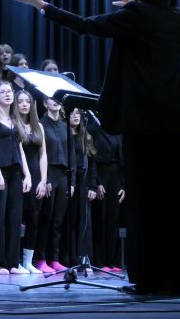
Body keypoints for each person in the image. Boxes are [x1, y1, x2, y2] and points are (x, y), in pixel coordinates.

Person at [7, 0, 180, 295]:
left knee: (143, 205)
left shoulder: (134, 17)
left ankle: (149, 280)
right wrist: (134, 6)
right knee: (170, 206)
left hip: (142, 123)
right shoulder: (177, 17)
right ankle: (175, 280)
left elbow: (85, 26)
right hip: (173, 122)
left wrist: (42, 6)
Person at [0, 82, 32, 274]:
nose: (7, 94)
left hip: (15, 172)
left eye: (9, 91)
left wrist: (27, 174)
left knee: (14, 216)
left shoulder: (14, 119)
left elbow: (20, 148)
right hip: (0, 171)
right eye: (2, 92)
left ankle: (12, 262)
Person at [32, 96, 74, 274]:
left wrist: (72, 182)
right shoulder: (41, 124)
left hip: (63, 175)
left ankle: (54, 259)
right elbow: (40, 154)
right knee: (46, 218)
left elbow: (71, 154)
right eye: (51, 99)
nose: (55, 102)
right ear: (45, 103)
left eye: (58, 99)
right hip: (49, 174)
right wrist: (46, 179)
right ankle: (41, 258)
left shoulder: (65, 126)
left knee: (58, 220)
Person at [15, 89, 47, 274]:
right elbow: (20, 153)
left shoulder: (38, 126)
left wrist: (43, 180)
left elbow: (43, 155)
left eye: (27, 101)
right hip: (20, 174)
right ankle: (14, 259)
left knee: (34, 219)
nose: (24, 104)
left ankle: (28, 261)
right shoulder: (14, 124)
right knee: (17, 218)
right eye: (20, 101)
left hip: (36, 176)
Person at [87, 117, 125, 272]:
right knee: (101, 218)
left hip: (116, 177)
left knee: (113, 219)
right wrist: (96, 183)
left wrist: (124, 185)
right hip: (101, 176)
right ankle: (100, 260)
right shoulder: (93, 129)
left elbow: (124, 159)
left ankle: (111, 260)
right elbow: (92, 159)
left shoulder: (118, 130)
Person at [67, 108, 97, 266]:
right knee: (70, 219)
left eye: (78, 113)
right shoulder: (65, 134)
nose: (75, 116)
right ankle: (70, 257)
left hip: (83, 180)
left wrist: (93, 185)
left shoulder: (86, 135)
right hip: (68, 179)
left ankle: (84, 256)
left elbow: (92, 163)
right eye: (72, 113)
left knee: (84, 220)